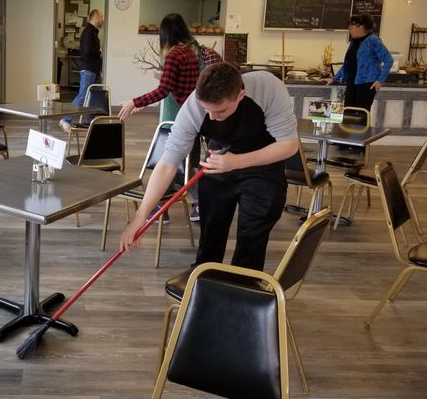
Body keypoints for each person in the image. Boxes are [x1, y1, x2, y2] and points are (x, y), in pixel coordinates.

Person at [119, 62, 299, 272]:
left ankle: (243, 288)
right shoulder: (193, 106)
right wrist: (140, 216)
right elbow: (168, 163)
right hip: (218, 160)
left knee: (252, 239)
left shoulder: (268, 87)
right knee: (211, 230)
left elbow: (289, 145)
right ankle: (204, 282)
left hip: (264, 164)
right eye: (207, 110)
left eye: (220, 111)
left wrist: (237, 161)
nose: (212, 117)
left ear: (240, 96)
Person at [117, 13, 221, 221]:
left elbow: (163, 90)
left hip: (182, 119)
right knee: (182, 165)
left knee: (170, 163)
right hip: (194, 115)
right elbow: (171, 88)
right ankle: (188, 205)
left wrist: (134, 102)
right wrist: (142, 104)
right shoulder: (190, 53)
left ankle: (160, 208)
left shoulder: (174, 55)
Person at [326, 14, 393, 112]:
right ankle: (348, 128)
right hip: (351, 83)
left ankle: (362, 128)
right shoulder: (354, 42)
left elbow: (388, 59)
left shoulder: (373, 40)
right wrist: (334, 78)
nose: (349, 30)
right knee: (348, 113)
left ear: (361, 27)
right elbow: (348, 64)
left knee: (361, 115)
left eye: (351, 28)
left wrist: (380, 81)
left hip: (366, 84)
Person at [60, 9, 104, 132]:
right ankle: (65, 119)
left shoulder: (94, 32)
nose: (103, 19)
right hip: (88, 71)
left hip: (94, 71)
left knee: (93, 97)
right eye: (102, 16)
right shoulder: (88, 32)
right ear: (96, 17)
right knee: (83, 96)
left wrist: (99, 70)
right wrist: (99, 52)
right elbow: (87, 52)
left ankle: (90, 123)